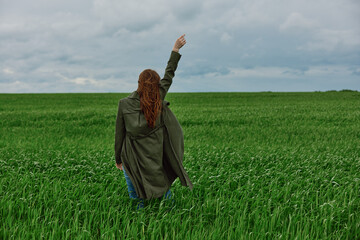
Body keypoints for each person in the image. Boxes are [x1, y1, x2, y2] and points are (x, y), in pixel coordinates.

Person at [114, 34, 193, 210]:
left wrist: (118, 158)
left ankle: (139, 227)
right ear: (156, 85)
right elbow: (169, 75)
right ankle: (172, 217)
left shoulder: (124, 104)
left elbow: (119, 134)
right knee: (164, 188)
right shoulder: (158, 98)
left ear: (139, 83)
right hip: (155, 156)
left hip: (131, 157)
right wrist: (175, 49)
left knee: (136, 196)